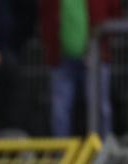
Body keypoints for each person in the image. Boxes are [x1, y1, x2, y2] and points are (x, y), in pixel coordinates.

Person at [39, 0, 121, 138]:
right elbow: (45, 16)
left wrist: (103, 41)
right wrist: (50, 44)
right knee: (60, 110)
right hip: (61, 58)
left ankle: (104, 153)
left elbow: (115, 12)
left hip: (95, 55)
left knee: (100, 107)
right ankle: (63, 155)